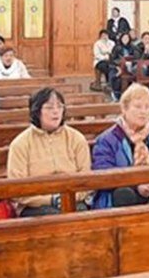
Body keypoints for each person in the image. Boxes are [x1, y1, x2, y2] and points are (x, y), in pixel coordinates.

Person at [6, 88, 92, 217]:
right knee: (55, 219)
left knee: (82, 218)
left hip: (74, 200)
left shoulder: (76, 138)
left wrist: (69, 197)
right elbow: (18, 190)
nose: (56, 111)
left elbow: (86, 180)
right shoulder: (20, 144)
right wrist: (50, 199)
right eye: (49, 107)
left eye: (59, 107)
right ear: (37, 111)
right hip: (35, 206)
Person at [109, 32, 136, 100]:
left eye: (127, 38)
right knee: (116, 77)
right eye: (124, 38)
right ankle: (116, 94)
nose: (125, 39)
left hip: (130, 67)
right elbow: (113, 60)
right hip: (117, 66)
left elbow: (136, 58)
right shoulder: (116, 47)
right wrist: (119, 66)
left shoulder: (133, 47)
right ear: (121, 39)